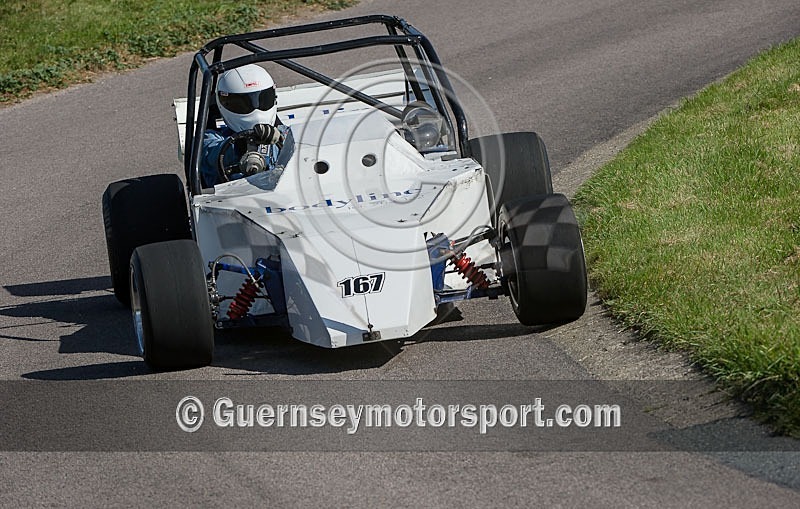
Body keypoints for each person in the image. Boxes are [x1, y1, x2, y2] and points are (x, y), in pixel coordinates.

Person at [201, 64, 292, 187]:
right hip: (233, 200)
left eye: (261, 100)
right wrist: (242, 144)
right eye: (242, 103)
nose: (256, 112)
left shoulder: (286, 134)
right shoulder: (211, 139)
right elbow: (210, 155)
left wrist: (282, 141)